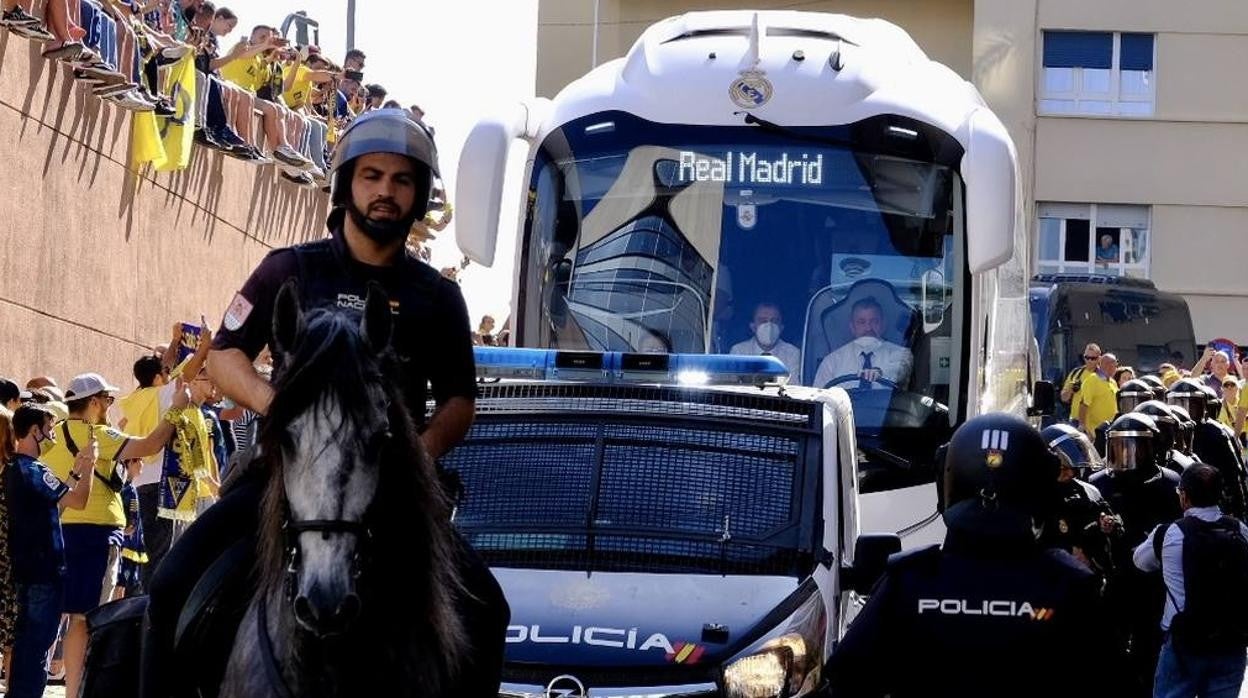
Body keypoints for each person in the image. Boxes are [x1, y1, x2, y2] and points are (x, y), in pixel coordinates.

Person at [142, 108, 509, 698]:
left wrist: (413, 452)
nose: (385, 191)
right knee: (169, 587)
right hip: (276, 479)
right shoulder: (287, 268)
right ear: (346, 185)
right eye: (371, 176)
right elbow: (225, 357)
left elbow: (459, 401)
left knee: (488, 607)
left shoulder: (438, 298)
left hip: (394, 494)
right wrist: (280, 409)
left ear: (417, 197)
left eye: (401, 180)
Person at [828, 414, 1113, 697]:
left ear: (948, 480)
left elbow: (847, 674)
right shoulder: (1068, 584)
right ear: (1042, 487)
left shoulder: (911, 578)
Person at [42, 372, 188, 698]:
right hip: (98, 535)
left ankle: (50, 684)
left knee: (57, 612)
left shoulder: (53, 434)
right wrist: (176, 409)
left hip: (59, 528)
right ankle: (77, 691)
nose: (109, 404)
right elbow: (151, 444)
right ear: (93, 403)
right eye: (107, 399)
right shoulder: (100, 434)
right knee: (91, 617)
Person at [1134, 464, 1248, 698]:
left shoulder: (1169, 534)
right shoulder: (1240, 530)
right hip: (1231, 641)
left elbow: (1140, 562)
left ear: (1184, 496)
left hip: (1183, 644)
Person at [5, 405, 94, 698]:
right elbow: (79, 501)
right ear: (35, 430)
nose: (53, 435)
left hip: (26, 570)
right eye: (50, 428)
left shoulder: (14, 469)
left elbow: (53, 503)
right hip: (44, 573)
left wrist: (75, 472)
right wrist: (91, 463)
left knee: (27, 644)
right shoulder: (34, 470)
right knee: (37, 647)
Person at [1090, 413, 1182, 697]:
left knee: (1150, 643)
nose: (1127, 456)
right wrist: (1100, 528)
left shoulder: (1168, 483)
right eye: (1120, 448)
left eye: (1135, 448)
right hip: (1111, 575)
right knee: (1110, 642)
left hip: (1152, 581)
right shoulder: (1098, 483)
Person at [1040, 423, 1119, 581]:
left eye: (1073, 468)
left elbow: (1114, 531)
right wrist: (1067, 552)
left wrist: (1109, 525)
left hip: (1091, 580)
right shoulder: (1032, 496)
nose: (1070, 474)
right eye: (1063, 468)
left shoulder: (1089, 492)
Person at [1167, 378, 1248, 519]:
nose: (1186, 410)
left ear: (1202, 405)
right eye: (1179, 403)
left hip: (1213, 503)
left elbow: (1233, 474)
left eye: (1192, 404)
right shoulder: (1167, 432)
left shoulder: (1216, 432)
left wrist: (1237, 511)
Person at [812, 297, 913, 390]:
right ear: (852, 327)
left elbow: (900, 369)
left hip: (888, 409)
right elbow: (819, 399)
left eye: (874, 321)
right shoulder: (832, 361)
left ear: (883, 324)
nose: (868, 328)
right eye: (861, 322)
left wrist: (880, 372)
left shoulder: (901, 354)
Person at [729, 302, 801, 378]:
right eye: (763, 321)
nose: (769, 325)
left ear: (781, 327)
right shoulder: (739, 352)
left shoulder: (792, 353)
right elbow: (734, 385)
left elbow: (793, 385)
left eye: (774, 321)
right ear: (753, 327)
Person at [1076, 353, 1119, 440]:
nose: (1116, 368)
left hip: (1109, 432)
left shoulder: (1113, 382)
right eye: (1115, 365)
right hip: (1094, 433)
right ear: (1108, 365)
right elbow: (1083, 405)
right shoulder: (1092, 380)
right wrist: (1083, 428)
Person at [1060, 343, 1102, 411]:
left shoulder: (1103, 375)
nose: (1089, 361)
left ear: (1099, 359)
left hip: (1095, 419)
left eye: (1093, 358)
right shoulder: (1076, 373)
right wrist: (1071, 389)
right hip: (1075, 418)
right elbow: (1063, 398)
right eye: (1087, 358)